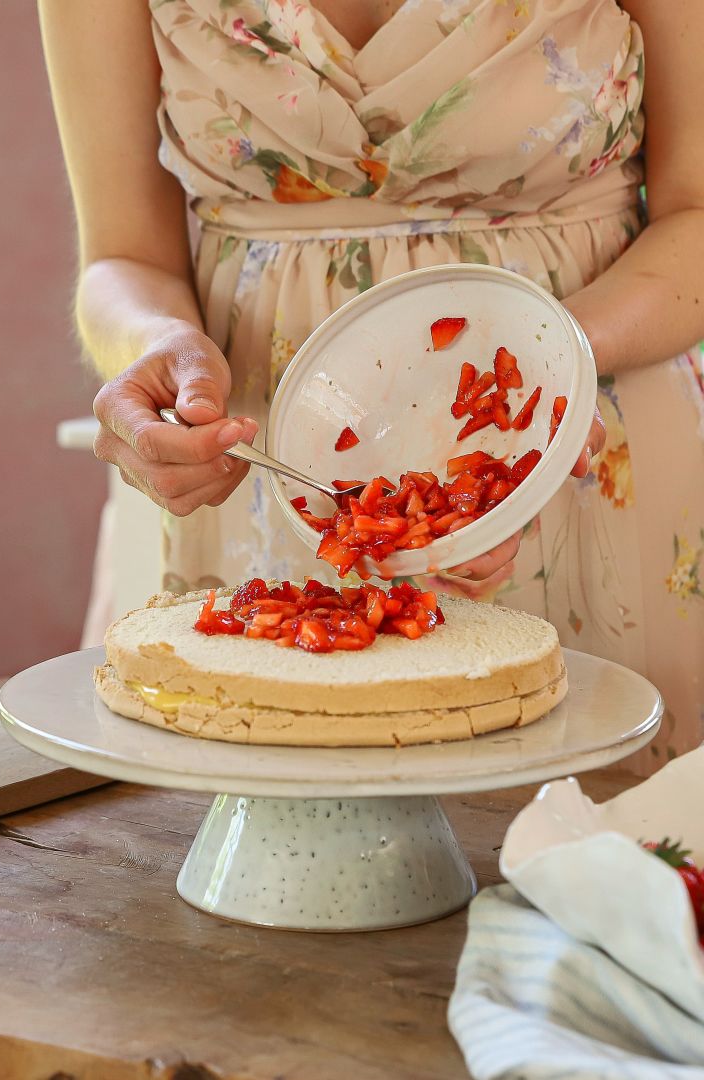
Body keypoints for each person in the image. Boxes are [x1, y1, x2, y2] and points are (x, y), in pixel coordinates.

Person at [39, 0, 703, 771]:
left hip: (583, 446)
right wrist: (158, 344)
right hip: (265, 487)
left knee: (604, 863)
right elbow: (122, 256)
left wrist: (554, 359)